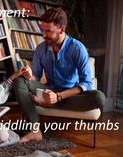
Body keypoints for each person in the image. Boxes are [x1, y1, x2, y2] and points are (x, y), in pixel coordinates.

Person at [13, 8, 106, 143]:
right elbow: (36, 77)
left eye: (48, 31)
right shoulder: (41, 49)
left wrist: (58, 97)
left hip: (70, 95)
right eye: (43, 30)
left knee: (99, 97)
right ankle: (35, 131)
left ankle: (48, 104)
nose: (44, 35)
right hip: (48, 91)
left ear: (62, 29)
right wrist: (29, 76)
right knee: (19, 81)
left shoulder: (77, 48)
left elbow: (86, 83)